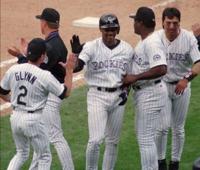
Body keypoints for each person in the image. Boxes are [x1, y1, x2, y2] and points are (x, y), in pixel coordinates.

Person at [8, 8, 75, 170]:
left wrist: (21, 57)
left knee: (55, 137)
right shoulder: (56, 42)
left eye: (41, 21)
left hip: (50, 97)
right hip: (49, 94)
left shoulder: (50, 46)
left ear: (44, 23)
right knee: (41, 141)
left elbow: (35, 71)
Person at [71, 13, 134, 170]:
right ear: (100, 29)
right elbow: (77, 67)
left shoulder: (127, 49)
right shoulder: (91, 46)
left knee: (113, 141)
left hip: (118, 97)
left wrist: (126, 91)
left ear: (118, 29)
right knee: (95, 140)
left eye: (113, 29)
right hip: (97, 96)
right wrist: (76, 54)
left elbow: (130, 76)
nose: (110, 33)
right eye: (107, 29)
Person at [154, 7, 200, 170]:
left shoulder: (188, 38)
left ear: (180, 23)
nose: (172, 27)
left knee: (178, 128)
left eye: (175, 23)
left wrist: (186, 79)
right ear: (162, 22)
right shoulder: (156, 38)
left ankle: (175, 163)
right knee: (163, 127)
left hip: (182, 87)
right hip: (163, 86)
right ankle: (160, 162)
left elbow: (198, 63)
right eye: (168, 23)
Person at [124, 7, 168, 170]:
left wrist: (134, 78)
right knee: (145, 137)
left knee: (145, 138)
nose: (133, 23)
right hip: (147, 92)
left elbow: (162, 68)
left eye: (135, 20)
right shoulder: (145, 41)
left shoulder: (151, 42)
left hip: (151, 93)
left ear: (140, 23)